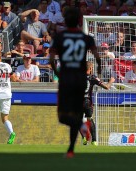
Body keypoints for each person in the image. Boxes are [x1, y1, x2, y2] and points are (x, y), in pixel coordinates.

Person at [49, 7, 101, 158]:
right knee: (76, 115)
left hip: (66, 80)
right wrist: (100, 69)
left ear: (65, 21)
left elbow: (52, 59)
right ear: (79, 21)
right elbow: (97, 57)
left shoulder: (60, 36)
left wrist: (57, 72)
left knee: (63, 117)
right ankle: (72, 148)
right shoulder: (86, 38)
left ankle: (72, 146)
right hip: (79, 80)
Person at [81, 61, 115, 146]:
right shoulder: (93, 77)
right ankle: (94, 141)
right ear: (90, 68)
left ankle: (84, 137)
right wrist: (111, 81)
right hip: (87, 102)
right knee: (89, 119)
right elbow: (107, 87)